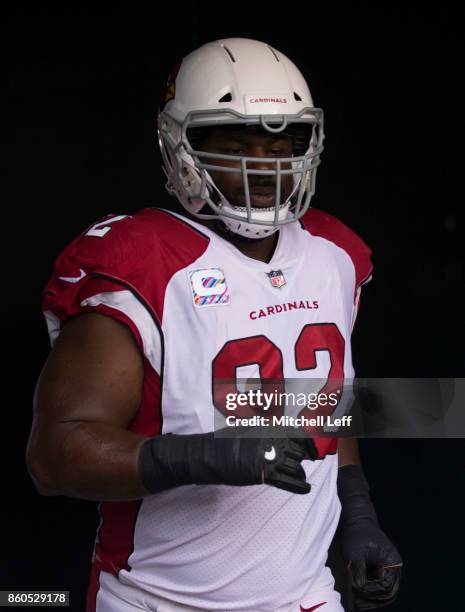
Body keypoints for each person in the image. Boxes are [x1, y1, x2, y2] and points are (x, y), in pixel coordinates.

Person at [26, 38, 402, 611]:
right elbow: (55, 455)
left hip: (304, 597)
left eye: (283, 143)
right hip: (159, 599)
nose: (264, 165)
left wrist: (358, 512)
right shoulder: (141, 262)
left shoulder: (333, 253)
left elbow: (325, 405)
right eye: (236, 143)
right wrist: (211, 456)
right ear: (182, 149)